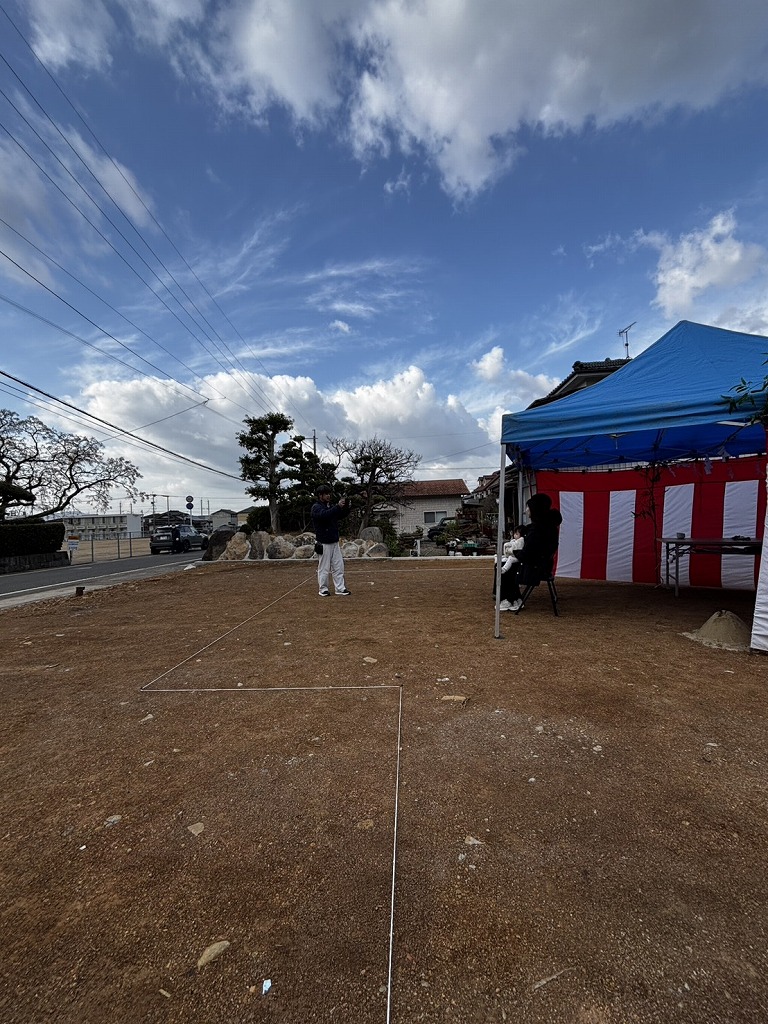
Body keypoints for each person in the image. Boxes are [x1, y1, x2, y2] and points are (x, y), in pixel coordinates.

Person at [310, 484, 352, 597]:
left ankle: (340, 588)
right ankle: (323, 589)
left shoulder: (330, 507)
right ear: (320, 495)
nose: (328, 496)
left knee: (338, 566)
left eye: (329, 493)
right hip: (323, 542)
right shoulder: (316, 507)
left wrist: (347, 507)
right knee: (323, 567)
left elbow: (339, 515)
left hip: (334, 541)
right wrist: (338, 507)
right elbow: (325, 516)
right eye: (326, 494)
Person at [493, 525, 527, 611]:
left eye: (516, 534)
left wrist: (508, 547)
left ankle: (509, 598)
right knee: (501, 560)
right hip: (513, 557)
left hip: (516, 558)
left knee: (509, 561)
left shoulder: (521, 540)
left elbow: (515, 548)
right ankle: (512, 598)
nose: (515, 536)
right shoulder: (516, 540)